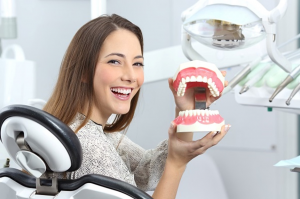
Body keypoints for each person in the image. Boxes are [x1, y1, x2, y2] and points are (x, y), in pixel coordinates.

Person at [43, 14, 231, 199]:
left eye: (137, 63)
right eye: (115, 61)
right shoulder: (88, 145)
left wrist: (185, 112)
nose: (131, 76)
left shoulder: (90, 130)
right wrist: (177, 164)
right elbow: (164, 168)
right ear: (83, 71)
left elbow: (146, 170)